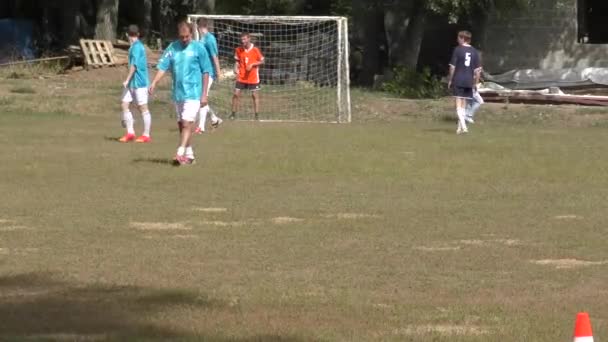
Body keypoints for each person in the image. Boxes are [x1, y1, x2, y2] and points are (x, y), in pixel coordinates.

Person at [149, 21, 212, 165]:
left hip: (194, 92)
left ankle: (179, 152)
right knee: (182, 126)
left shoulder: (199, 48)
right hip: (178, 93)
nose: (184, 40)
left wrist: (204, 94)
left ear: (192, 34)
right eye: (181, 37)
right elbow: (163, 67)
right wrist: (154, 82)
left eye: (187, 37)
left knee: (186, 124)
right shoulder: (173, 48)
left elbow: (206, 71)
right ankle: (189, 156)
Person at [119, 25, 152, 143]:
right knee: (124, 104)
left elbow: (134, 65)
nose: (132, 37)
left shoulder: (138, 47)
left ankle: (146, 135)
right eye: (130, 35)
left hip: (140, 82)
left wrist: (127, 79)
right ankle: (130, 133)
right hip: (132, 83)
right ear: (127, 35)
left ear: (137, 35)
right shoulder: (133, 47)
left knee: (143, 107)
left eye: (134, 35)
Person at [447, 30, 481, 135]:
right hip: (469, 81)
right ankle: (459, 128)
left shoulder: (458, 50)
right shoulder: (474, 51)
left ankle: (464, 127)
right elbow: (478, 71)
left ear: (463, 39)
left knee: (458, 105)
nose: (457, 39)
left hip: (458, 79)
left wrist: (450, 79)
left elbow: (452, 67)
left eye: (458, 37)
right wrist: (475, 83)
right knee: (463, 105)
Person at [195, 18, 222, 134]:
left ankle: (201, 127)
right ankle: (214, 119)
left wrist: (218, 73)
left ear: (198, 26)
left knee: (202, 99)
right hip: (201, 73)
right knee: (200, 98)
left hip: (209, 73)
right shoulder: (202, 38)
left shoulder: (210, 39)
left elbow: (214, 56)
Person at [230, 33, 264, 120]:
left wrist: (253, 64)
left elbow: (262, 61)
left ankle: (256, 115)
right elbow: (237, 61)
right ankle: (233, 114)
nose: (243, 41)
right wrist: (235, 68)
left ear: (249, 39)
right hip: (241, 76)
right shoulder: (238, 49)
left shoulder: (255, 50)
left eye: (244, 39)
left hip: (253, 77)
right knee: (236, 94)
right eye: (242, 40)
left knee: (254, 95)